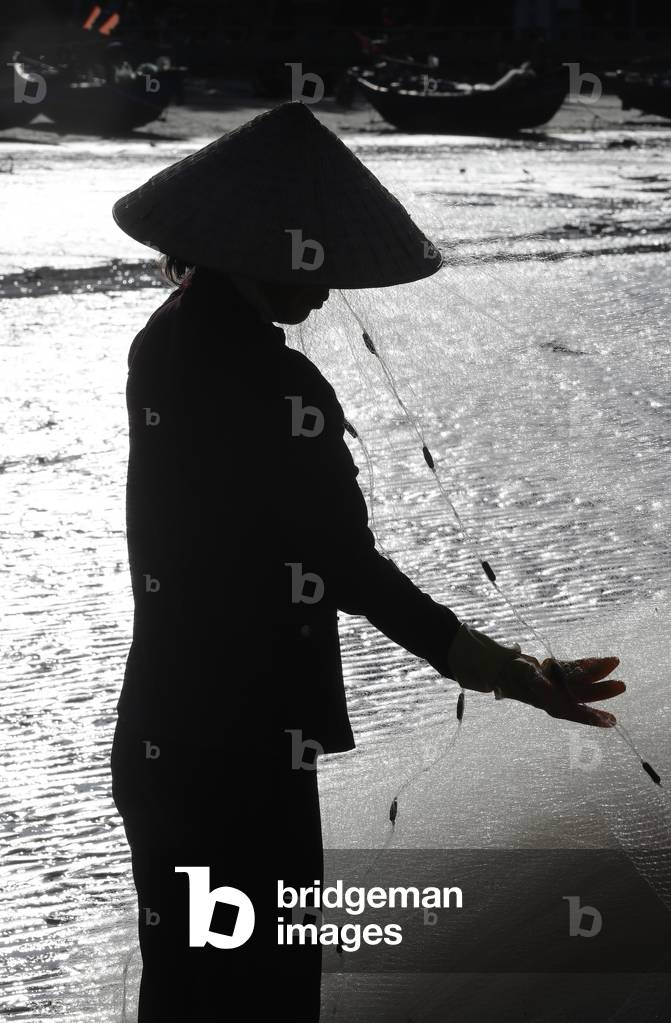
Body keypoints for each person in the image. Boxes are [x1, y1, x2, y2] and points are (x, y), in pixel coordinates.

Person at [109, 102, 624, 1022]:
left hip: (168, 734)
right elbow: (347, 568)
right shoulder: (267, 378)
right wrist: (511, 673)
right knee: (259, 998)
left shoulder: (166, 340)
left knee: (191, 992)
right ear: (267, 245)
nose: (326, 284)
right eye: (315, 257)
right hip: (238, 758)